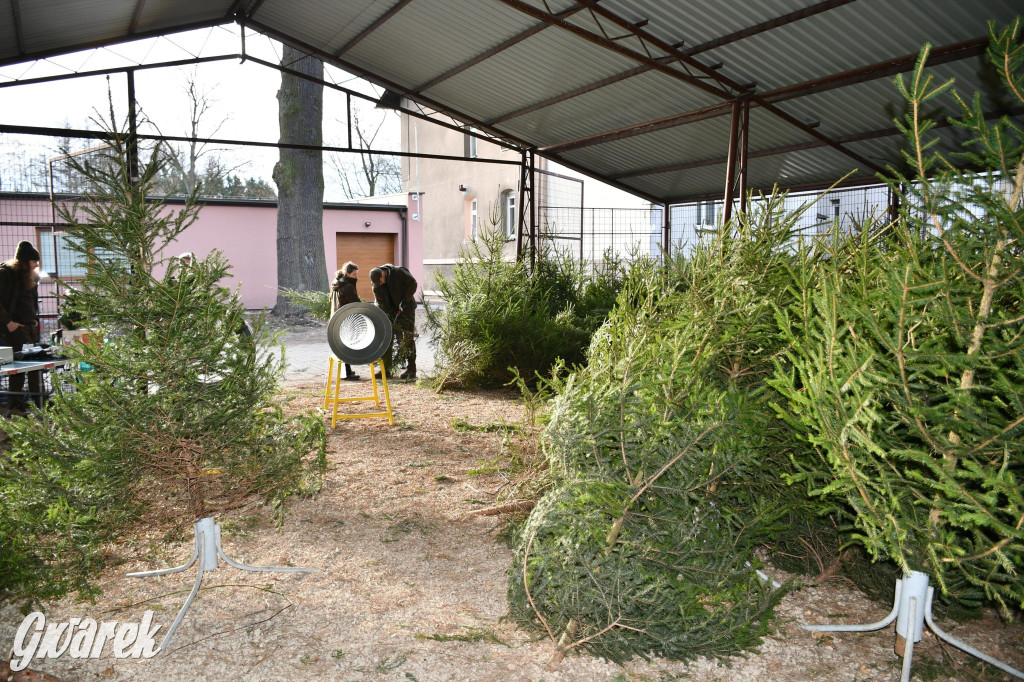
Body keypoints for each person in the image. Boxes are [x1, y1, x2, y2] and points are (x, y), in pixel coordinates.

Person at [0, 241, 43, 410]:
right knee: (30, 365)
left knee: (26, 365)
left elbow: (30, 301)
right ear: (25, 261)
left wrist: (35, 320)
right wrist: (8, 323)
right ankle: (36, 403)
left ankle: (23, 404)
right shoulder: (6, 274)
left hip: (29, 326)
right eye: (34, 261)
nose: (37, 265)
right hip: (15, 327)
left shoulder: (30, 276)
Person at [368, 264, 418, 379]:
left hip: (407, 310)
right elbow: (380, 301)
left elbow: (413, 283)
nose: (379, 284)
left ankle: (411, 369)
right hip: (390, 310)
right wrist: (386, 316)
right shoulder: (376, 282)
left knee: (408, 338)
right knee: (387, 338)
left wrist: (405, 300)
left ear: (383, 274)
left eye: (380, 281)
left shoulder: (399, 272)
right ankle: (386, 369)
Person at [330, 261, 361, 381]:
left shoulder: (336, 283)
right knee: (347, 345)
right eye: (354, 274)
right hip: (346, 318)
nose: (356, 277)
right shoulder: (347, 287)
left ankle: (346, 371)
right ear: (347, 273)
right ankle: (347, 373)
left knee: (343, 345)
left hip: (337, 316)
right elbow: (356, 303)